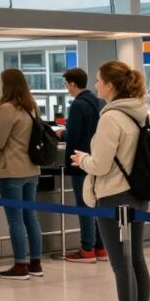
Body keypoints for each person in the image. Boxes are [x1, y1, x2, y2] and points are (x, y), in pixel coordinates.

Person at [71, 61, 150, 301]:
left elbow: (101, 165)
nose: (95, 84)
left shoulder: (111, 117)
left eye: (98, 80)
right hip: (137, 192)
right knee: (136, 259)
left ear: (109, 85)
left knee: (121, 264)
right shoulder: (141, 112)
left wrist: (82, 159)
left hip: (113, 197)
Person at [0, 69, 43, 280]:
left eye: (0, 82)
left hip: (11, 170)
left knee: (15, 219)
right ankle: (35, 262)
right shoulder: (32, 107)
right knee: (31, 217)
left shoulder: (7, 108)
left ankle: (20, 265)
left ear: (6, 84)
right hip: (31, 169)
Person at [57, 67, 106, 263]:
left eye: (66, 84)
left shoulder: (78, 104)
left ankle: (87, 248)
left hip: (79, 161)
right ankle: (100, 247)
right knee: (96, 203)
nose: (67, 88)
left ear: (72, 83)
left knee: (84, 204)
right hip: (95, 159)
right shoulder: (98, 102)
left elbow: (73, 135)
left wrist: (61, 133)